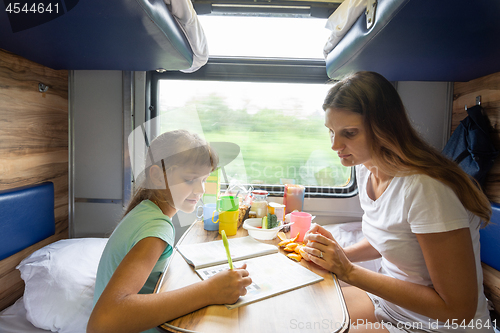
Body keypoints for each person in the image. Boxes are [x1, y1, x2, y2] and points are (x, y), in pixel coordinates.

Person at [303, 71, 493, 333]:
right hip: (392, 305)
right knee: (306, 311)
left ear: (383, 128)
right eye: (331, 132)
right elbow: (393, 238)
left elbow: (458, 310)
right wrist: (340, 254)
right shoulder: (366, 169)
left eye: (349, 133)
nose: (335, 145)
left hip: (437, 326)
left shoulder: (426, 189)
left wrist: (348, 271)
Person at [87, 130, 252, 333]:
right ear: (157, 176)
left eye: (204, 179)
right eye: (190, 180)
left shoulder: (145, 210)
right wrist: (210, 290)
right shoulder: (156, 228)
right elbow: (102, 323)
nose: (200, 190)